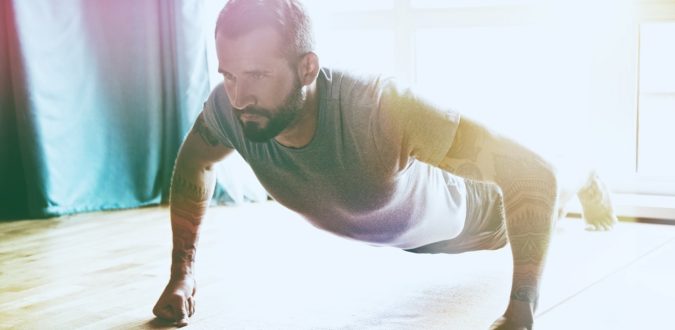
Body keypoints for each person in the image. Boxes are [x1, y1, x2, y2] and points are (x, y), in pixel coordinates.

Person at [152, 0, 617, 328]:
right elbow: (196, 162)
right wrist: (182, 277)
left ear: (308, 68)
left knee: (551, 185)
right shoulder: (228, 113)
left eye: (256, 75)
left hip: (479, 216)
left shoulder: (378, 109)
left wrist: (522, 310)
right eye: (229, 75)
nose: (239, 96)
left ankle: (587, 173)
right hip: (415, 239)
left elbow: (533, 175)